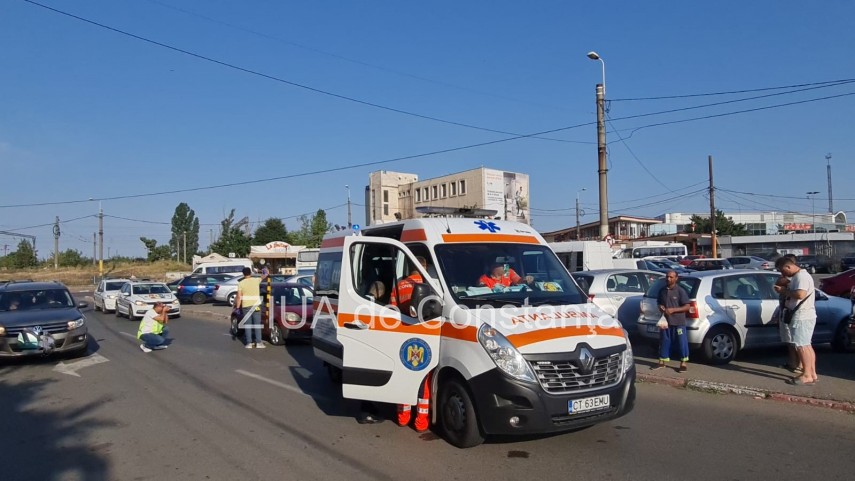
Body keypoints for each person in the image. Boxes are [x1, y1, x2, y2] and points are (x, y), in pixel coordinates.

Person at [774, 256, 817, 385]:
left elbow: (800, 295)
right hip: (805, 315)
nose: (782, 274)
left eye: (783, 270)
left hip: (801, 316)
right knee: (806, 345)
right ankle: (812, 373)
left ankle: (807, 375)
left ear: (789, 266)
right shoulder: (799, 277)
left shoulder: (801, 277)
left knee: (801, 346)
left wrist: (783, 291)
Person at [652, 270, 691, 372]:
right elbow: (659, 302)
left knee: (681, 342)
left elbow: (687, 306)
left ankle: (683, 363)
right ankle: (662, 361)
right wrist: (660, 307)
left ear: (676, 278)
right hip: (666, 322)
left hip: (678, 322)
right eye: (667, 277)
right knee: (664, 340)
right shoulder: (662, 291)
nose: (668, 279)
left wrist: (674, 310)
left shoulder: (680, 291)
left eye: (671, 277)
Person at [773, 254, 801, 374]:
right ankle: (792, 363)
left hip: (794, 313)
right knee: (789, 341)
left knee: (797, 342)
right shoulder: (790, 277)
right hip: (785, 311)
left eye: (782, 269)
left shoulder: (796, 278)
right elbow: (778, 282)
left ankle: (800, 365)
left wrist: (783, 286)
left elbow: (781, 282)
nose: (781, 272)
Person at [235, 267, 269, 349]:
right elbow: (265, 274)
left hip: (246, 306)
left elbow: (239, 296)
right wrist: (264, 269)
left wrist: (237, 307)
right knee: (257, 324)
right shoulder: (256, 280)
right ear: (250, 273)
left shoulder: (241, 283)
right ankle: (258, 342)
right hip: (256, 305)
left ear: (243, 274)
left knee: (248, 325)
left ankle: (249, 343)